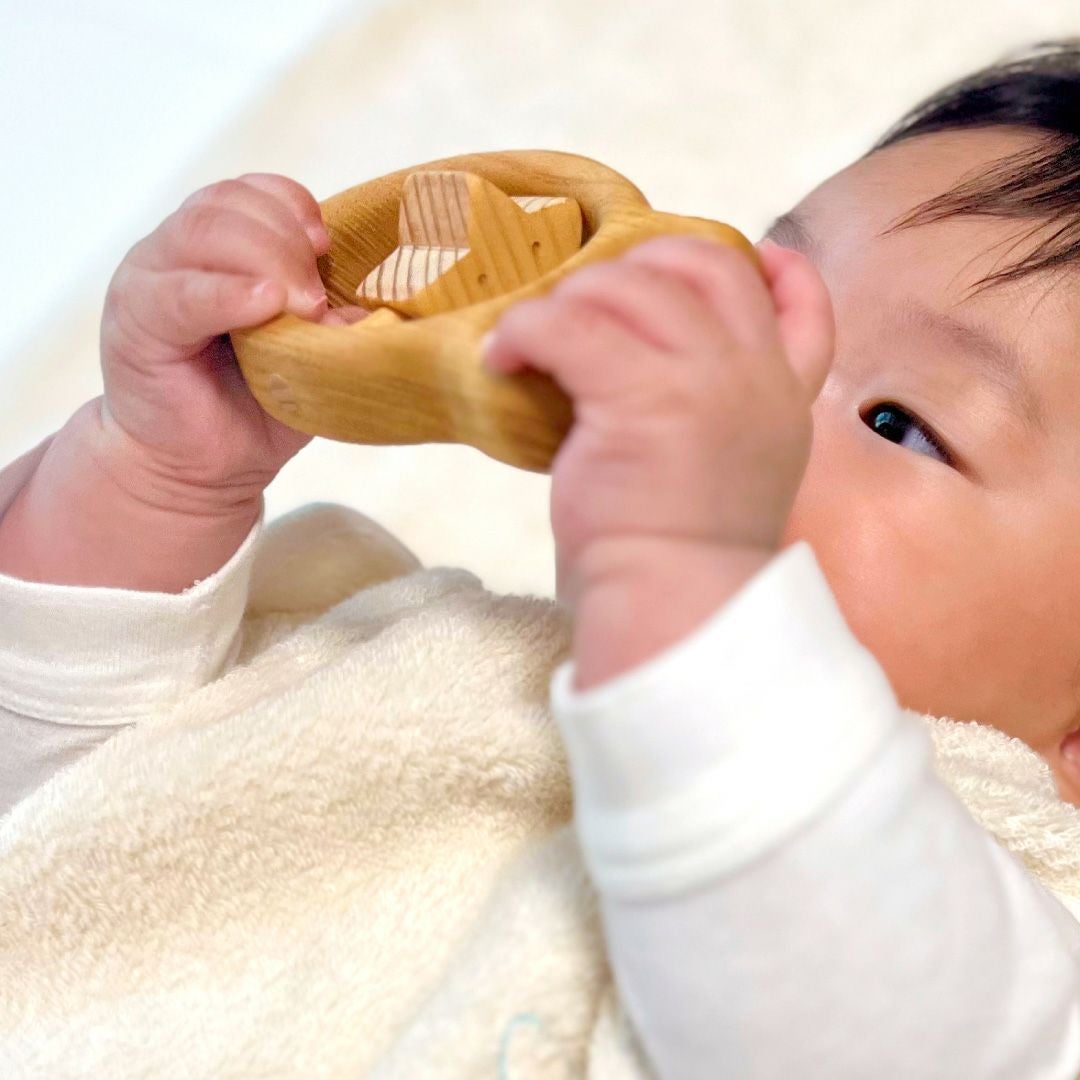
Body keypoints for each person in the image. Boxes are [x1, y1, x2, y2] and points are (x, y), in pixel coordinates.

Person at [2, 40, 1080, 1078]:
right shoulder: (433, 666)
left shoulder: (1007, 945)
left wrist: (690, 565)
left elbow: (835, 1009)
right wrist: (158, 474)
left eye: (898, 422)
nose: (749, 383)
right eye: (758, 305)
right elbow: (73, 828)